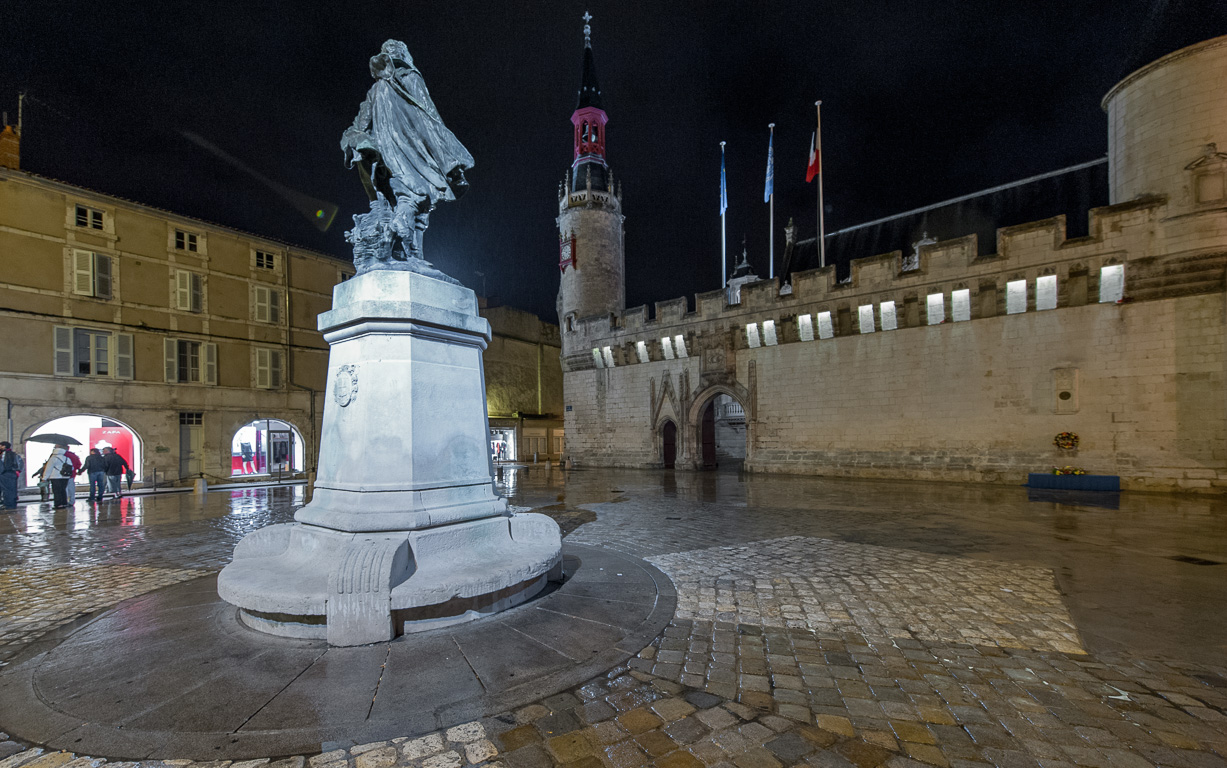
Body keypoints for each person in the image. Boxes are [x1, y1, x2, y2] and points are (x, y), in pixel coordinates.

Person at [340, 39, 473, 260]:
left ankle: (407, 252)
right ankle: (410, 250)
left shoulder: (374, 90)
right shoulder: (411, 78)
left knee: (409, 197)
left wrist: (356, 142)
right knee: (419, 198)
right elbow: (429, 116)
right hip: (414, 150)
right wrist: (451, 162)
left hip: (385, 156)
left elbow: (358, 126)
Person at [35, 445, 72, 509]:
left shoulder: (53, 459)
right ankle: (64, 503)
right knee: (63, 490)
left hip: (55, 477)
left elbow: (48, 468)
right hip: (65, 477)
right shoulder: (67, 458)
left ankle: (58, 504)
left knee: (57, 491)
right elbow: (72, 467)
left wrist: (44, 478)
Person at [0, 441, 21, 510]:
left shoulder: (6, 454)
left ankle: (9, 505)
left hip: (6, 474)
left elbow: (4, 466)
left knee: (8, 491)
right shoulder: (13, 454)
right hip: (11, 474)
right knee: (11, 490)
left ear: (4, 446)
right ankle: (10, 505)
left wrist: (3, 472)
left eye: (0, 446)